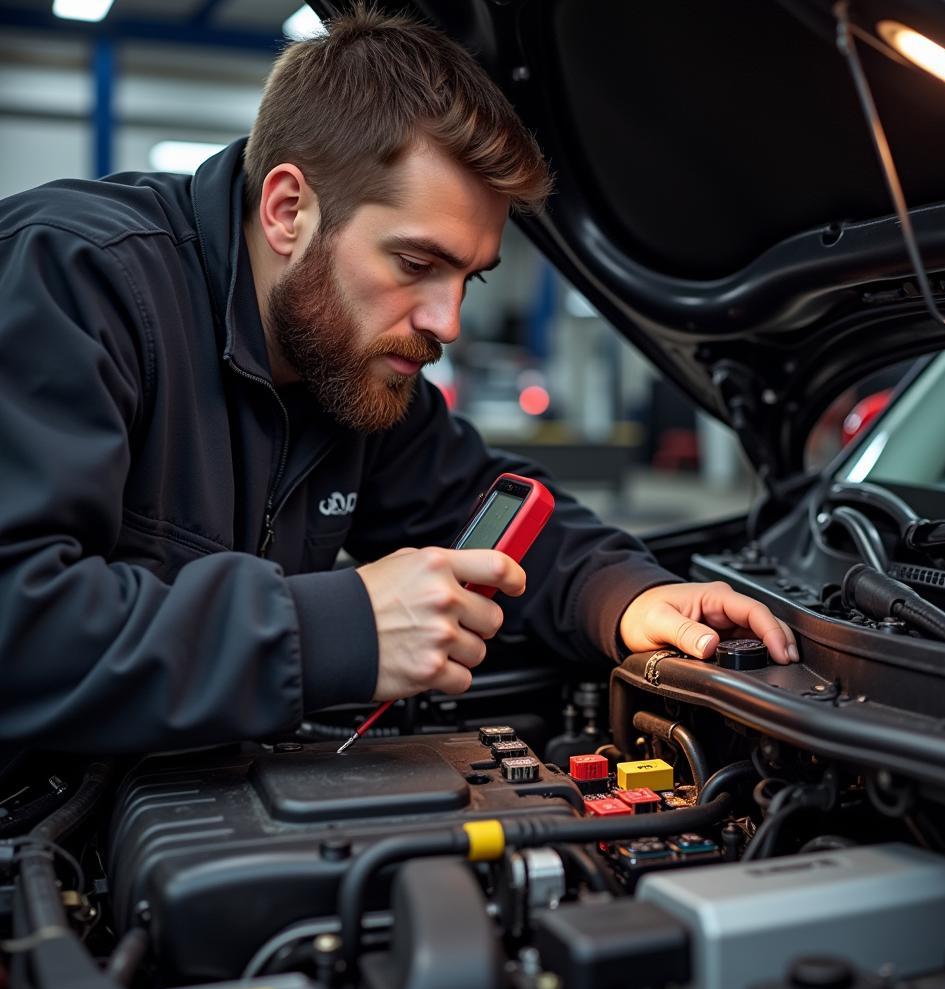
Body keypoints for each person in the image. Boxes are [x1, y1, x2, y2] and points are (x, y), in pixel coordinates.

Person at [0, 5, 797, 756]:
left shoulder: (343, 366)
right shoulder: (72, 281)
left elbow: (480, 507)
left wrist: (624, 597)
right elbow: (19, 619)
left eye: (470, 280)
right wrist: (336, 631)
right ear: (287, 210)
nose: (446, 322)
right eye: (417, 264)